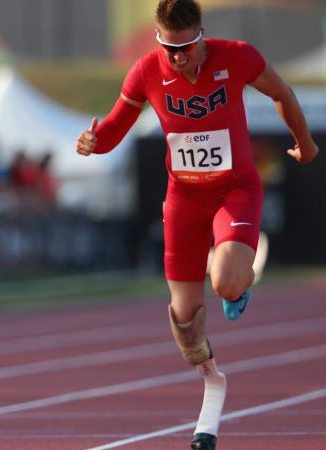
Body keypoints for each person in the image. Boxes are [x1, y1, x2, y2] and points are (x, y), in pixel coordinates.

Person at [75, 1, 318, 449]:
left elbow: (283, 94)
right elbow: (112, 130)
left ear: (201, 35)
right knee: (185, 319)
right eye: (170, 48)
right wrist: (94, 141)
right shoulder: (146, 71)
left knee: (224, 282)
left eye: (187, 47)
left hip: (236, 190)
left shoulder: (237, 55)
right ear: (157, 37)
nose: (179, 57)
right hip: (183, 197)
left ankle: (238, 280)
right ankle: (211, 376)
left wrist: (305, 145)